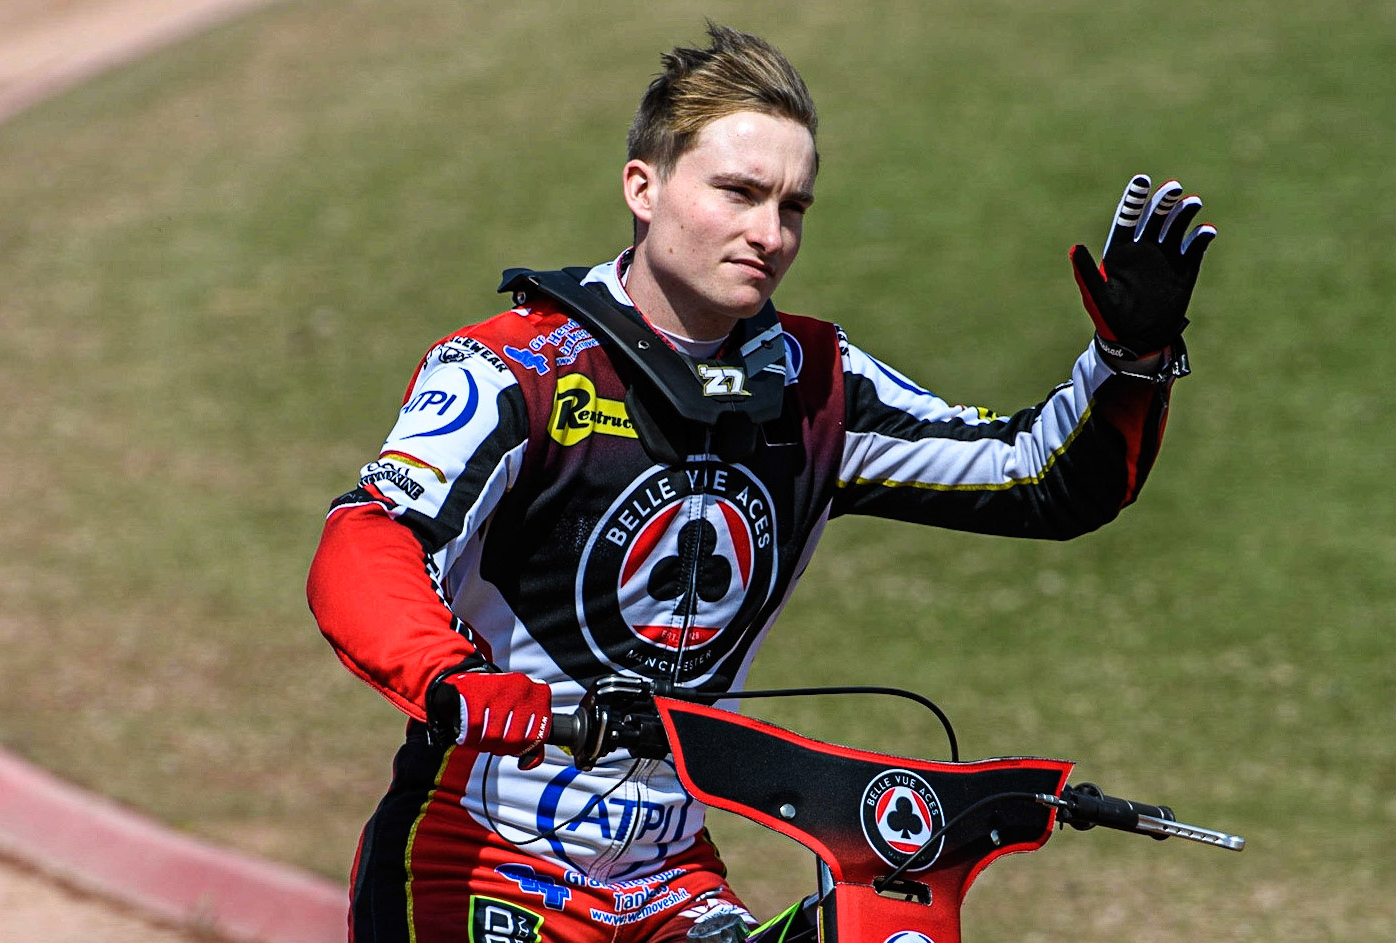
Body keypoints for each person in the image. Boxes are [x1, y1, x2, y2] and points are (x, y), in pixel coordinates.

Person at [306, 22, 1215, 943]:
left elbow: (1037, 480)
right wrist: (452, 676)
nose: (768, 234)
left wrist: (1129, 359)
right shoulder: (513, 367)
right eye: (737, 193)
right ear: (643, 187)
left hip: (669, 875)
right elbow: (369, 536)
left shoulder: (819, 380)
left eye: (793, 207)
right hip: (477, 852)